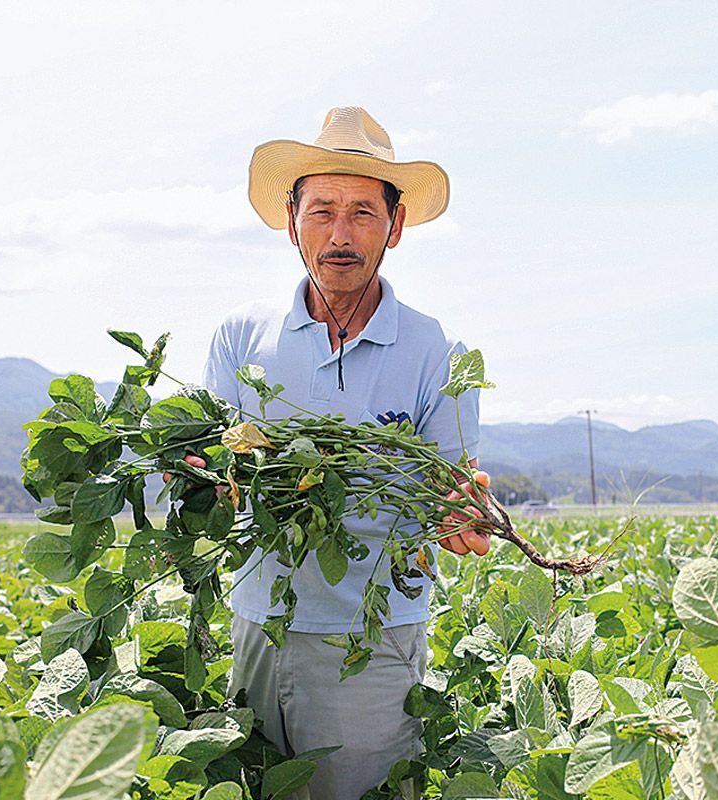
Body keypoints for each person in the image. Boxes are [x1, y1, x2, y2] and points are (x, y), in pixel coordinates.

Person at [200, 107, 491, 800]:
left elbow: (450, 491)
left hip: (374, 636)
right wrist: (205, 478)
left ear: (395, 227)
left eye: (363, 212)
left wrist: (460, 516)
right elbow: (216, 476)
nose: (339, 233)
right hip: (259, 622)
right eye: (322, 209)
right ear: (291, 218)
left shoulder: (437, 354)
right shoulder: (241, 339)